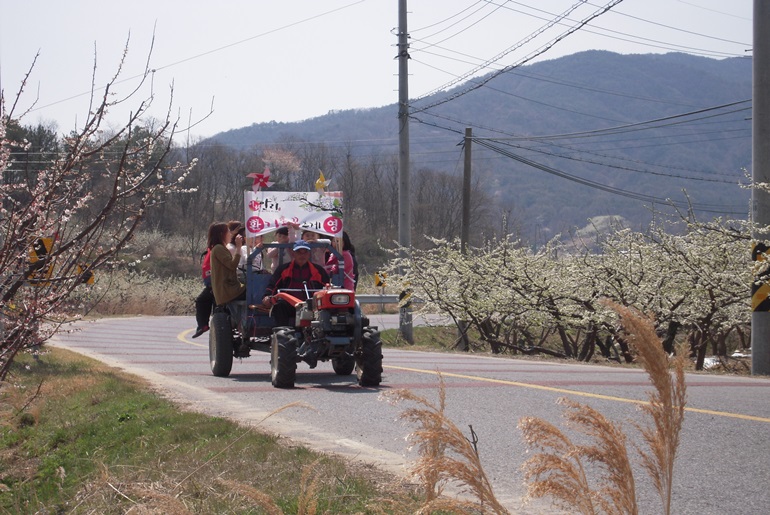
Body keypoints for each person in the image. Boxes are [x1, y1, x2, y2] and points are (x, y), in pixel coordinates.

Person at [262, 240, 330, 327]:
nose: (302, 255)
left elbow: (327, 288)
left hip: (312, 305)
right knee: (279, 305)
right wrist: (267, 297)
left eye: (305, 252)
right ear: (293, 254)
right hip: (289, 305)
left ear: (309, 254)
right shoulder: (283, 269)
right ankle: (282, 332)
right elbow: (272, 286)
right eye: (299, 252)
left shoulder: (319, 271)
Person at [210, 222, 247, 306]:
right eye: (228, 232)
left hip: (228, 290)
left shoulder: (220, 248)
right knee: (254, 289)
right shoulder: (218, 248)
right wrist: (238, 248)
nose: (231, 234)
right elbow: (232, 265)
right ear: (222, 234)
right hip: (228, 291)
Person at [192, 242, 215, 338]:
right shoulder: (216, 247)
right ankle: (203, 325)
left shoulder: (218, 247)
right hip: (212, 283)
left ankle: (203, 325)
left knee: (201, 301)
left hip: (215, 283)